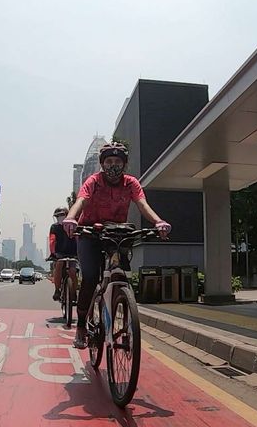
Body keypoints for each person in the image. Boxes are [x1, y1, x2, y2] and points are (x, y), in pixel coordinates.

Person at [63, 142, 171, 348]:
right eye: (109, 161)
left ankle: (120, 306)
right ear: (103, 164)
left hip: (117, 232)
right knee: (90, 277)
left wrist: (158, 222)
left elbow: (142, 204)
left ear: (124, 164)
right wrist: (71, 218)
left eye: (118, 161)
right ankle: (81, 326)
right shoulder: (93, 181)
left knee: (122, 274)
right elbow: (81, 200)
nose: (113, 165)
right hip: (90, 232)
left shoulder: (131, 183)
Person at [48, 206, 77, 302]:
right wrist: (53, 253)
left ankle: (74, 293)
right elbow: (52, 240)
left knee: (73, 271)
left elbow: (78, 238)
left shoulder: (74, 225)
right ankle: (57, 290)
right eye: (58, 216)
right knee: (59, 266)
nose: (60, 217)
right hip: (59, 253)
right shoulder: (54, 227)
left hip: (73, 253)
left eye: (62, 215)